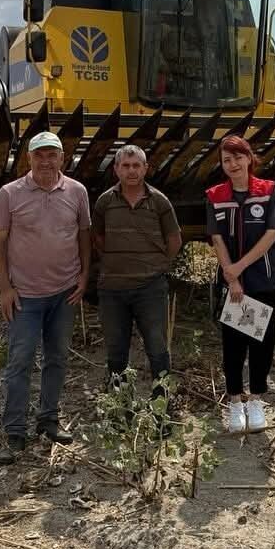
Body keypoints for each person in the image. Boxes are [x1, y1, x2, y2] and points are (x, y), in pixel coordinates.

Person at [0, 132, 91, 464]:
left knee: (57, 359)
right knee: (19, 362)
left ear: (63, 158)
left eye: (52, 155)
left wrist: (84, 274)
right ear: (28, 159)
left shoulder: (77, 191)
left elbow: (84, 235)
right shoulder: (9, 194)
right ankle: (15, 431)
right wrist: (5, 287)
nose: (46, 161)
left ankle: (49, 420)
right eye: (39, 155)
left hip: (64, 293)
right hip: (26, 297)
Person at [204, 135, 275, 433]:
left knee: (261, 343)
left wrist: (239, 269)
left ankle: (255, 400)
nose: (233, 164)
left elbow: (272, 235)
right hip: (233, 283)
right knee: (233, 344)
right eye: (226, 160)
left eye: (238, 157)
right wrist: (231, 276)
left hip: (262, 280)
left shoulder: (268, 192)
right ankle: (235, 402)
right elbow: (217, 238)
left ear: (249, 158)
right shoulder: (215, 195)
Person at [92, 145, 182, 392]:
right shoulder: (105, 202)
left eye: (136, 165)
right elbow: (98, 239)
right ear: (116, 169)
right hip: (112, 290)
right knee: (116, 350)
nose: (131, 171)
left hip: (150, 288)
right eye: (126, 166)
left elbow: (174, 240)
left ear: (145, 168)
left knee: (157, 347)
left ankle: (161, 408)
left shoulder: (159, 201)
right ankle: (121, 409)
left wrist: (159, 266)